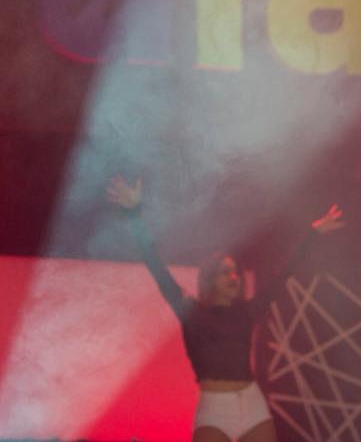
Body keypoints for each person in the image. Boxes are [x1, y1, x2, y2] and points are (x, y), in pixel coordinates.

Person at [107, 176, 344, 442]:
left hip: (252, 405)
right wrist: (134, 215)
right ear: (210, 279)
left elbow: (283, 276)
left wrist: (311, 234)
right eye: (225, 272)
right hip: (215, 409)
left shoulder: (248, 310)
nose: (235, 277)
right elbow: (156, 266)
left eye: (236, 272)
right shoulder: (191, 311)